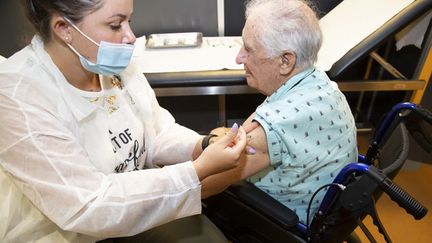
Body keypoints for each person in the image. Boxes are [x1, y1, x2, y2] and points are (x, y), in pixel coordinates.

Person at [0, 0, 248, 242]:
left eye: (129, 21)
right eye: (115, 25)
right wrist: (197, 170)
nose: (130, 36)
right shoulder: (18, 94)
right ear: (64, 29)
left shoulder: (110, 64)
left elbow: (156, 132)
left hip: (127, 207)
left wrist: (203, 145)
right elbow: (88, 205)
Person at [201, 0, 358, 224]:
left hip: (274, 222)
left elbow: (202, 187)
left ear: (285, 61)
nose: (238, 58)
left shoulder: (274, 125)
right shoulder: (321, 83)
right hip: (325, 213)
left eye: (248, 49)